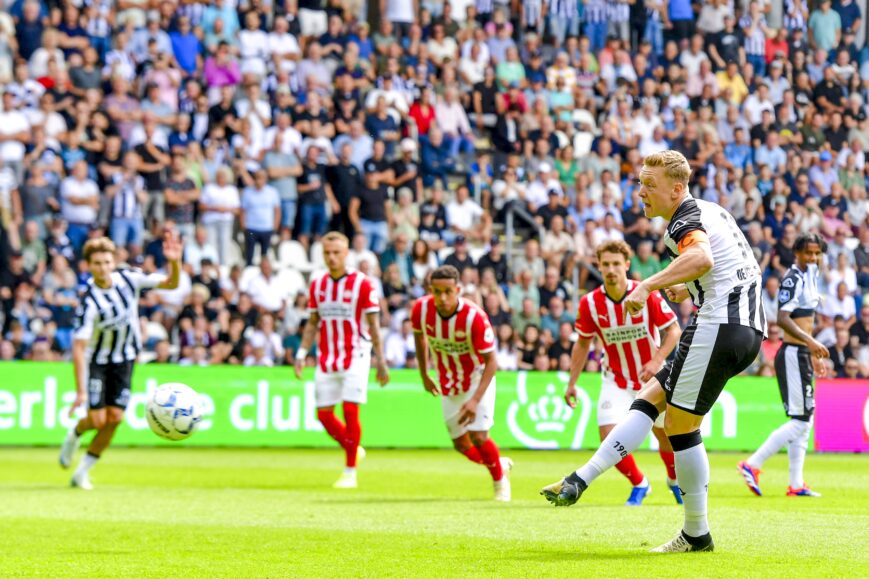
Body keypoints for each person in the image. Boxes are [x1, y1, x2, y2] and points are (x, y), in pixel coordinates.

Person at [541, 150, 766, 553]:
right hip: (739, 326)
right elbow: (726, 266)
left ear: (677, 189)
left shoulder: (685, 218)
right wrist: (685, 288)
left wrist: (646, 286)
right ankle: (581, 479)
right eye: (640, 182)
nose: (641, 191)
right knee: (650, 398)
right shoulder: (711, 211)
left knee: (680, 427)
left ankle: (697, 532)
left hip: (719, 325)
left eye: (650, 184)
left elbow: (701, 257)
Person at [58, 234, 182, 489]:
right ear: (89, 266)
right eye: (97, 263)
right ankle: (75, 434)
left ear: (113, 261)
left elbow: (170, 284)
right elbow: (79, 347)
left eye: (106, 262)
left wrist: (175, 263)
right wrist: (81, 391)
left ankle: (82, 472)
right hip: (98, 361)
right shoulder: (89, 301)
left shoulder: (129, 278)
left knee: (115, 418)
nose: (103, 268)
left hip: (125, 360)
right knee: (97, 420)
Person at [566, 240, 682, 506]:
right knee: (608, 435)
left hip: (653, 380)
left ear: (627, 265)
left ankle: (674, 481)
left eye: (616, 264)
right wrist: (572, 383)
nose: (611, 269)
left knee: (667, 436)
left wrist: (656, 361)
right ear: (599, 266)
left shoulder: (645, 294)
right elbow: (582, 343)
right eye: (605, 264)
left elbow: (673, 330)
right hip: (616, 380)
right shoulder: (590, 303)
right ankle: (640, 483)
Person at [294, 232, 389, 489]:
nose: (331, 257)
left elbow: (374, 325)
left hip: (356, 354)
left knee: (349, 410)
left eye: (336, 252)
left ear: (347, 254)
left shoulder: (363, 284)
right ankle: (354, 448)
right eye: (327, 253)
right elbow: (313, 323)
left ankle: (350, 471)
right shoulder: (318, 284)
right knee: (324, 415)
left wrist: (380, 360)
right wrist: (302, 354)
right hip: (327, 357)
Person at [411, 265, 513, 502]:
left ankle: (500, 483)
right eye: (437, 292)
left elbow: (491, 362)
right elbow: (419, 338)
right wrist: (424, 373)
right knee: (460, 444)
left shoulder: (474, 317)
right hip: (448, 382)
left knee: (479, 436)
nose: (442, 297)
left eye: (448, 291)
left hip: (477, 378)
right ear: (430, 291)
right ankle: (498, 464)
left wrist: (475, 400)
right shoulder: (421, 309)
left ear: (458, 289)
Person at [739, 233, 829, 498]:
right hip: (791, 353)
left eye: (817, 253)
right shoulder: (792, 278)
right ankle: (751, 464)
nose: (813, 258)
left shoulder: (811, 273)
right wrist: (812, 343)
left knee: (804, 419)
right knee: (801, 421)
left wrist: (813, 354)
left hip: (802, 354)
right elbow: (783, 318)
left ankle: (796, 484)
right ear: (797, 253)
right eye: (808, 253)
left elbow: (807, 319)